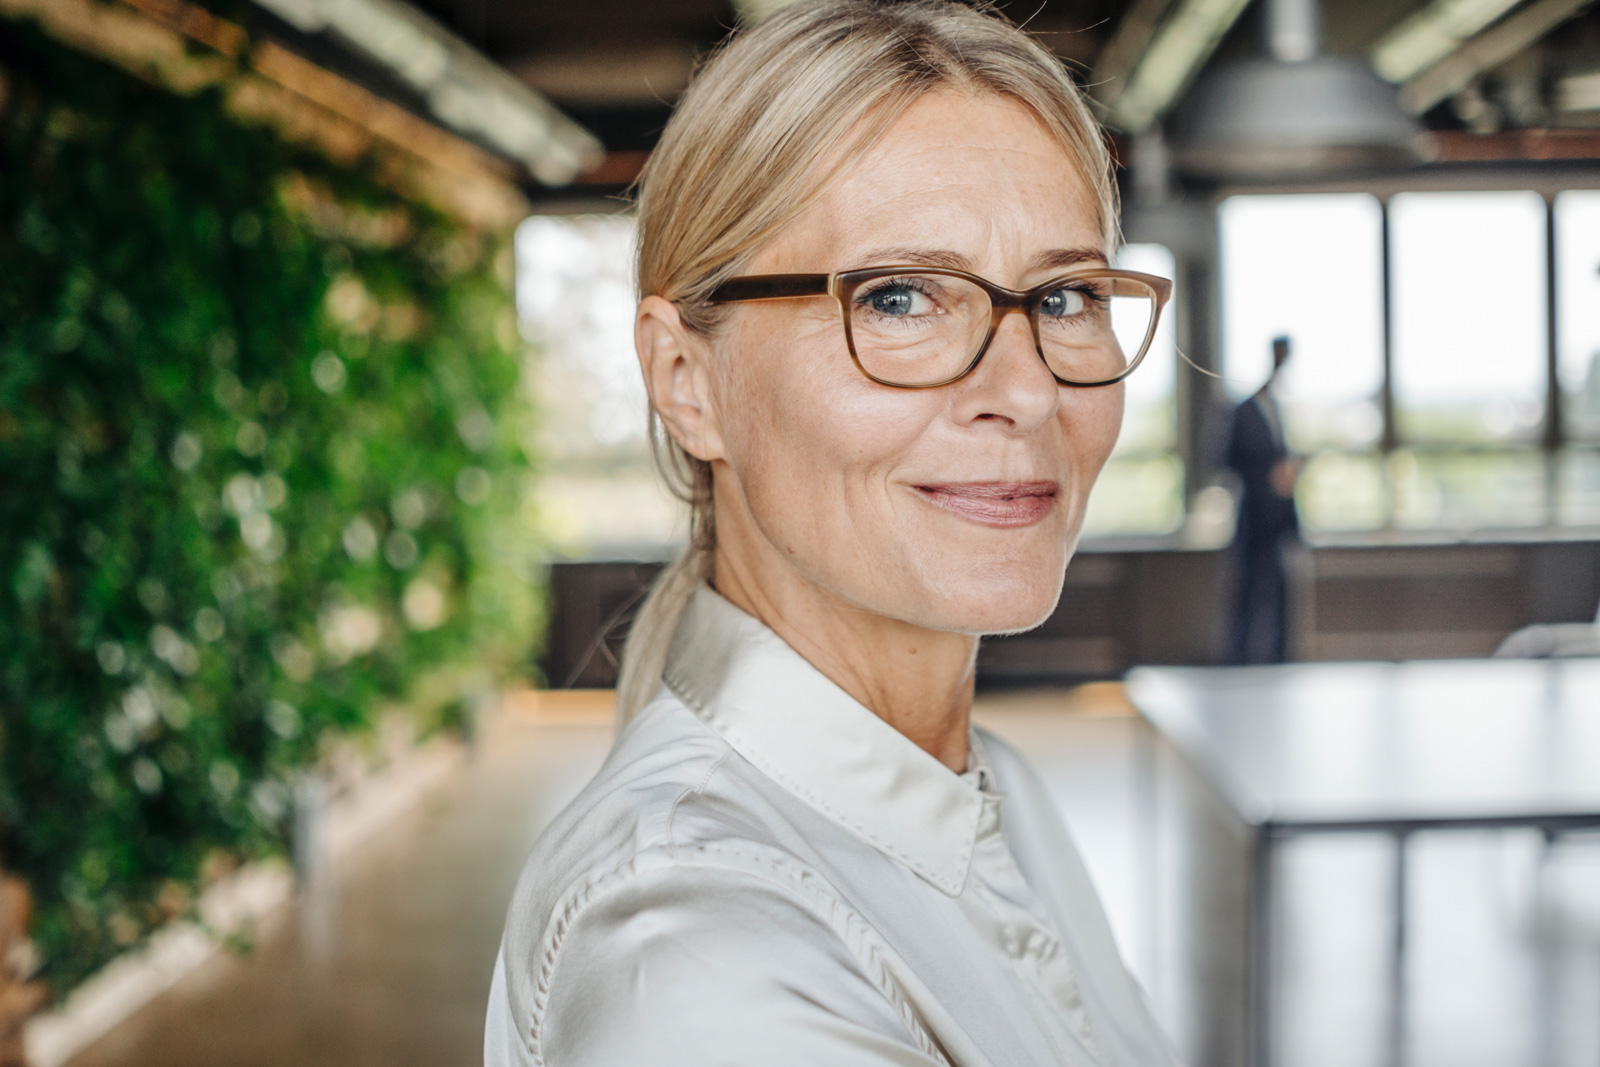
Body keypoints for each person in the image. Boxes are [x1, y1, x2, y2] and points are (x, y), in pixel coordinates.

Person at [485, 4, 1178, 1065]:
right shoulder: (695, 954)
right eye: (900, 297)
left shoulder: (999, 798)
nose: (1027, 389)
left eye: (1067, 294)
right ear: (687, 380)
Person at [1224, 335, 1301, 664]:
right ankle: (1239, 662)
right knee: (1247, 594)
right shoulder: (1247, 411)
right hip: (1254, 518)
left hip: (1278, 520)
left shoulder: (1276, 409)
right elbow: (1227, 460)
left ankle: (1279, 658)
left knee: (1281, 595)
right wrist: (1268, 479)